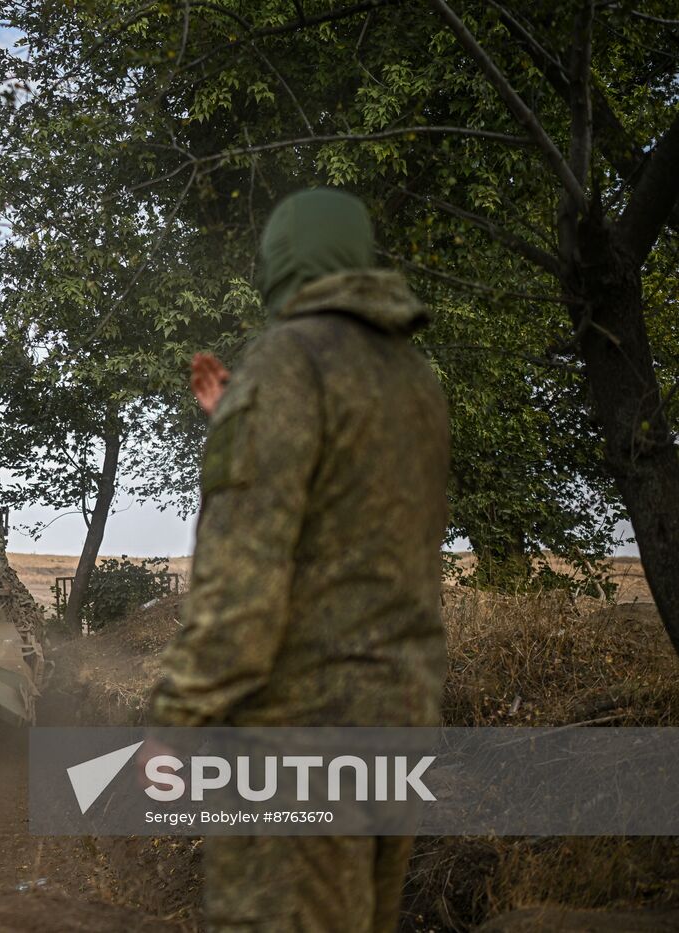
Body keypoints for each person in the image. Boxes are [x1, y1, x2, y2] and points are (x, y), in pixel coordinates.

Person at [149, 188, 450, 932]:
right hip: (401, 724)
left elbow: (243, 584)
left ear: (279, 266)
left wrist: (178, 718)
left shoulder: (289, 362)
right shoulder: (414, 382)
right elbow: (353, 519)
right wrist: (240, 420)